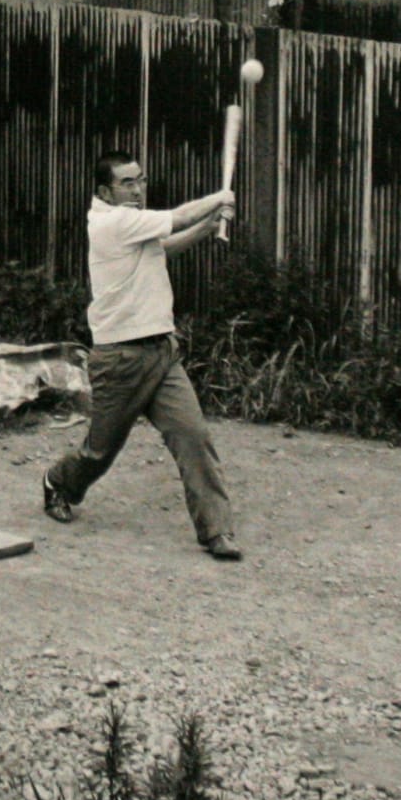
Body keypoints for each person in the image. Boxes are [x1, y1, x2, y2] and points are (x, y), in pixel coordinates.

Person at [41, 152, 243, 561]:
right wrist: (218, 198)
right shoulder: (110, 222)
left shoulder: (131, 225)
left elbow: (163, 246)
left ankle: (216, 531)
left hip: (161, 353)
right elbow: (177, 217)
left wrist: (208, 226)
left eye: (140, 180)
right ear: (104, 192)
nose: (137, 190)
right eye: (127, 183)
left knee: (194, 437)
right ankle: (58, 482)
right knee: (100, 453)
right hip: (119, 360)